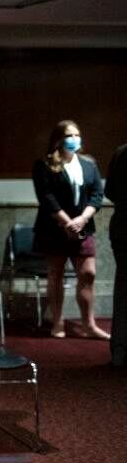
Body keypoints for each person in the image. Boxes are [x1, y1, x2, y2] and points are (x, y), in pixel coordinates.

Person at [31, 121, 108, 339]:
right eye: (69, 135)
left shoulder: (89, 164)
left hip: (83, 226)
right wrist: (67, 223)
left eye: (77, 134)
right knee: (56, 274)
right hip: (55, 228)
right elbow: (46, 197)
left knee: (88, 273)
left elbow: (97, 194)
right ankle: (57, 323)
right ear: (58, 139)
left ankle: (89, 325)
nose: (74, 139)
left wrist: (82, 219)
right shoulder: (44, 165)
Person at [107, 142, 127, 367]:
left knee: (122, 290)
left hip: (121, 228)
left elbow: (109, 191)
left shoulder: (120, 152)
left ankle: (120, 350)